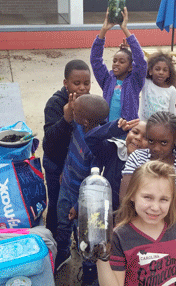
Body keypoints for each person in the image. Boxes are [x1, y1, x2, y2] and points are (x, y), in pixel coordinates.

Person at [54, 94, 109, 285]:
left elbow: (95, 183)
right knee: (62, 223)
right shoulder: (78, 126)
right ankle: (62, 254)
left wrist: (78, 206)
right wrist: (64, 172)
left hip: (83, 203)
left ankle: (89, 273)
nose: (73, 111)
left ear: (85, 120)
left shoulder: (97, 146)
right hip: (65, 187)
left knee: (84, 237)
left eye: (75, 111)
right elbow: (69, 151)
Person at [42, 60, 91, 238]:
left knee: (78, 205)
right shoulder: (55, 104)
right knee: (56, 203)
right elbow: (49, 143)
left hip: (76, 168)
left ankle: (77, 239)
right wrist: (66, 118)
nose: (82, 88)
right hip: (55, 164)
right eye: (76, 83)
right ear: (65, 83)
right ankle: (53, 240)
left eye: (86, 83)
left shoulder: (88, 103)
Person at [120, 111, 176, 206]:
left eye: (163, 143)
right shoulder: (137, 157)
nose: (156, 148)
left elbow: (175, 209)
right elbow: (124, 199)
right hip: (132, 217)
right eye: (151, 141)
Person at [90, 7, 147, 122]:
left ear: (131, 67)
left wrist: (125, 29)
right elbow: (95, 60)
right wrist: (103, 30)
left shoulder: (135, 81)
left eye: (122, 62)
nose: (116, 64)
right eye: (114, 61)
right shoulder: (107, 80)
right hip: (107, 130)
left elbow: (140, 60)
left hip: (126, 132)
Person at [85, 118, 148, 212]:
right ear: (127, 134)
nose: (138, 138)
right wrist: (115, 128)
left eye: (146, 137)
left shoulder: (149, 167)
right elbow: (90, 138)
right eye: (135, 132)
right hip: (105, 214)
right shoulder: (114, 150)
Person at [138, 52, 176, 121]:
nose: (161, 72)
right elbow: (138, 66)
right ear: (150, 71)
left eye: (165, 70)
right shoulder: (146, 83)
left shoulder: (172, 91)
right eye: (157, 69)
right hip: (143, 127)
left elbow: (173, 113)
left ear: (169, 74)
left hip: (161, 129)